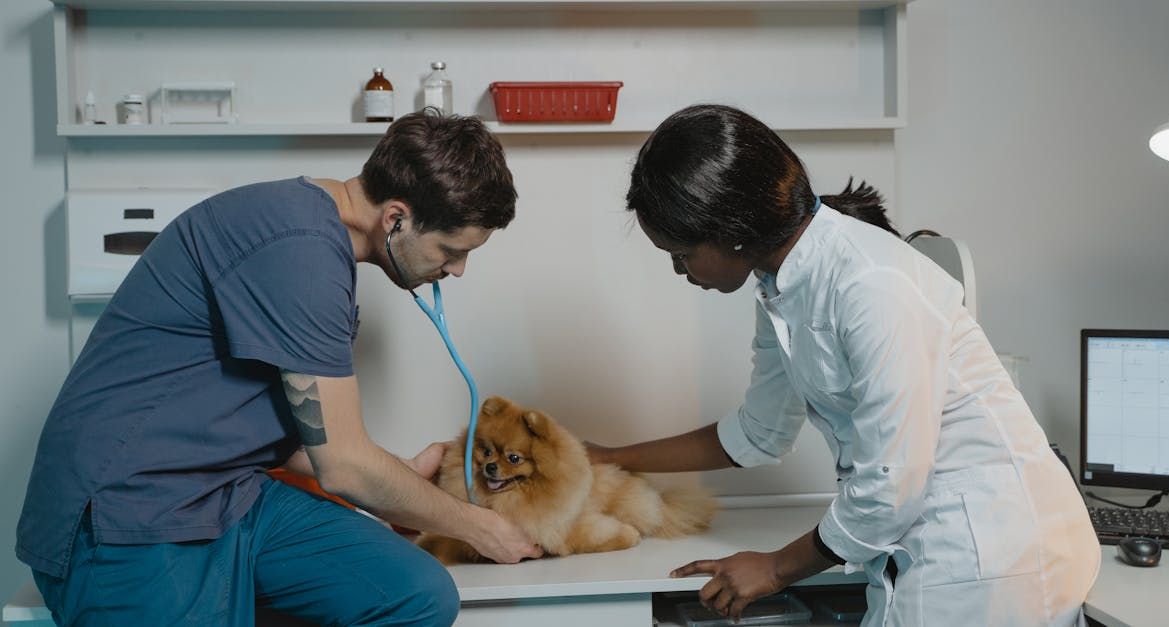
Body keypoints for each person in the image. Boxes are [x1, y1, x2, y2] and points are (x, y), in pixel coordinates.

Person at [16, 110, 542, 626]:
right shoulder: (303, 252)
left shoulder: (309, 233)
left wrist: (401, 488)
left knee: (418, 596)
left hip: (229, 495)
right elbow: (343, 464)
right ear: (396, 217)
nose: (456, 269)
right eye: (451, 249)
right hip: (130, 515)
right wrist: (480, 527)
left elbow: (300, 433)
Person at [587, 104, 1100, 626]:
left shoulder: (872, 281)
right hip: (925, 546)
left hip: (992, 553)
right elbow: (758, 432)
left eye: (681, 253)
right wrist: (608, 457)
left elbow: (890, 485)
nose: (679, 271)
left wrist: (776, 569)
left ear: (731, 230)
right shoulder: (779, 283)